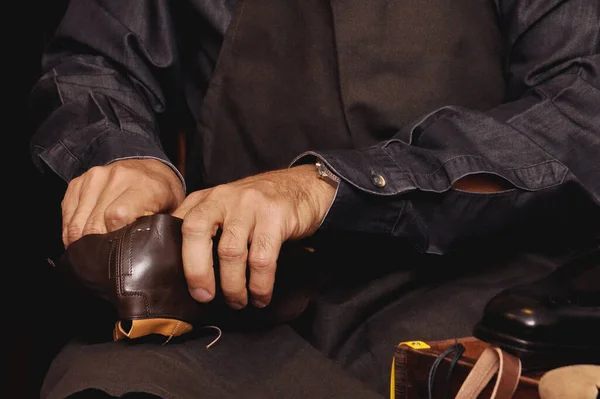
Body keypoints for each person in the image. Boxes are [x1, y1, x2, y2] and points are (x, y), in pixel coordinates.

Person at [28, 0, 599, 398]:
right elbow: (95, 59)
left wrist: (326, 185)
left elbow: (580, 110)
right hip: (226, 295)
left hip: (467, 285)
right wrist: (123, 153)